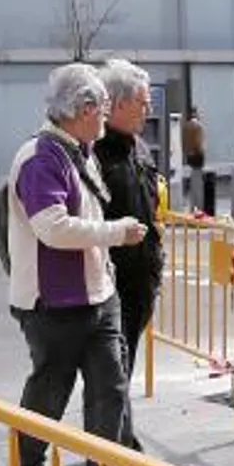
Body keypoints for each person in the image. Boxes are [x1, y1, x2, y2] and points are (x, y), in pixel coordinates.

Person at [3, 63, 150, 466]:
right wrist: (116, 233)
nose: (106, 118)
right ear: (84, 110)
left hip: (97, 296)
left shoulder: (79, 150)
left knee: (110, 391)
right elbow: (52, 229)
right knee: (51, 391)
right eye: (103, 109)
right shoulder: (40, 157)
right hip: (54, 304)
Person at [95, 60, 164, 419]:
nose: (148, 109)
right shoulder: (93, 153)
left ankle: (115, 449)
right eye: (142, 101)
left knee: (123, 368)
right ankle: (114, 455)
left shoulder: (139, 147)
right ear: (118, 104)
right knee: (111, 377)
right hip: (109, 284)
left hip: (141, 280)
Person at [181, 106, 206, 172]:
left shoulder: (185, 127)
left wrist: (186, 152)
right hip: (197, 154)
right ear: (195, 113)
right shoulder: (198, 126)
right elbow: (198, 142)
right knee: (198, 174)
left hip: (189, 154)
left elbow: (183, 142)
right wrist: (200, 150)